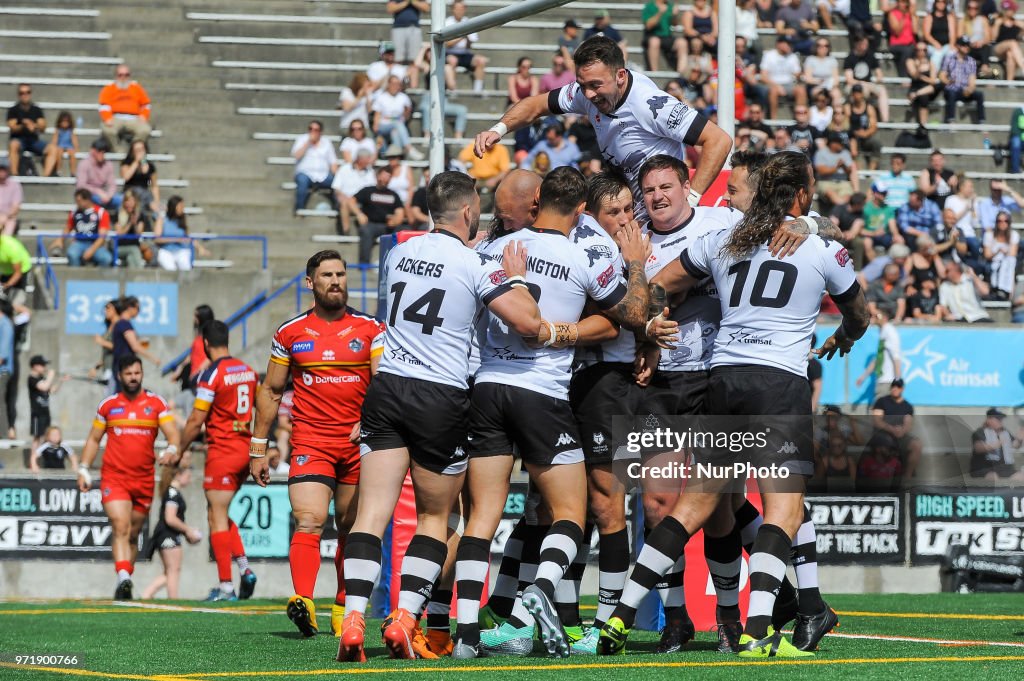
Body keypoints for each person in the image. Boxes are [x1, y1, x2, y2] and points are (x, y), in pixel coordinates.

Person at [604, 151, 869, 658]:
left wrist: (649, 322)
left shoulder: (722, 238)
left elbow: (657, 286)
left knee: (694, 503)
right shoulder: (819, 248)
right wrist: (845, 337)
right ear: (801, 196)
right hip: (778, 384)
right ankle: (758, 631)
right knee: (784, 509)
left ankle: (619, 616)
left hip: (723, 378)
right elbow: (859, 312)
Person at [336, 172, 544, 662]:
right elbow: (527, 322)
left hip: (387, 386)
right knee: (435, 518)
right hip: (440, 395)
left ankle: (352, 619)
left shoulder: (399, 253)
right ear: (470, 212)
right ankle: (405, 619)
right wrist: (516, 277)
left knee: (371, 514)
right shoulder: (474, 264)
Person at [451, 167, 648, 660]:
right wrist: (637, 265)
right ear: (581, 210)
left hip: (487, 388)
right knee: (570, 515)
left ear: (537, 201)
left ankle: (468, 635)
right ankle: (534, 599)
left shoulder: (496, 249)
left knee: (481, 518)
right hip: (543, 393)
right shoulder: (583, 255)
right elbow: (630, 317)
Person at [250, 250, 386, 638]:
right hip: (312, 439)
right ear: (310, 283)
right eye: (326, 275)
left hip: (359, 443)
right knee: (309, 520)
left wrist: (370, 419)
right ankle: (304, 601)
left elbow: (382, 382)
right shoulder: (289, 332)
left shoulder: (371, 328)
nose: (335, 281)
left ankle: (343, 605)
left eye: (340, 274)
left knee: (350, 527)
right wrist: (258, 446)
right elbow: (272, 390)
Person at [475, 36, 732, 223]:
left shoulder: (650, 105)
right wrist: (498, 129)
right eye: (582, 84)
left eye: (596, 85)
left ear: (620, 75)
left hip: (661, 221)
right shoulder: (585, 93)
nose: (588, 94)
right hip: (623, 214)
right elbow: (536, 105)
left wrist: (689, 203)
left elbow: (718, 140)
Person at [76, 355, 180, 599]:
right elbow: (93, 439)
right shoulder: (108, 406)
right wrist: (83, 468)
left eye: (137, 373)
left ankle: (126, 580)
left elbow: (173, 436)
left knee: (133, 534)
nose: (133, 378)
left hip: (144, 479)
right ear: (119, 376)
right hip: (115, 478)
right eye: (128, 374)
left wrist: (171, 450)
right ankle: (123, 576)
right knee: (120, 526)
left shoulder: (156, 404)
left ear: (142, 373)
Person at [177, 321, 259, 601]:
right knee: (219, 514)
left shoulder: (211, 373)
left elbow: (196, 419)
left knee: (215, 516)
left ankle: (226, 586)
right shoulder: (247, 371)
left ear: (205, 345)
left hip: (223, 451)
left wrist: (179, 449)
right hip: (245, 450)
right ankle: (245, 570)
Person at [140, 466, 203, 599]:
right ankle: (172, 599)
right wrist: (188, 529)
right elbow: (170, 518)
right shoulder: (172, 493)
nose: (190, 480)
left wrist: (186, 532)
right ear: (178, 475)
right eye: (188, 476)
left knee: (170, 571)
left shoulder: (172, 492)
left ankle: (147, 594)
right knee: (173, 570)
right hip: (167, 535)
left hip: (168, 534)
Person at [352, 166, 407, 264]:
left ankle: (397, 264)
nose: (385, 179)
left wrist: (395, 221)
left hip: (388, 226)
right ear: (377, 176)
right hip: (371, 224)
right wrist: (359, 214)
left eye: (388, 177)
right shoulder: (368, 191)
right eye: (384, 176)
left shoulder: (394, 194)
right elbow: (351, 201)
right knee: (366, 231)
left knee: (403, 231)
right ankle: (364, 264)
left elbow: (400, 212)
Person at [870, 379, 922, 479]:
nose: (895, 389)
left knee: (917, 445)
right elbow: (877, 421)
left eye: (898, 387)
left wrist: (901, 431)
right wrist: (891, 429)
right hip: (883, 434)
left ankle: (907, 477)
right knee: (886, 444)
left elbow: (908, 424)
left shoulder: (907, 406)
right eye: (893, 386)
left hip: (900, 435)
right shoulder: (881, 401)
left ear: (902, 389)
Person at [111, 296, 161, 393]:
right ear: (130, 308)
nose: (138, 312)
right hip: (125, 366)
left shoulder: (120, 324)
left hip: (121, 365)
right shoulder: (124, 324)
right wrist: (153, 358)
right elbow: (135, 346)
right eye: (138, 308)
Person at [6, 83, 56, 176]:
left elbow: (43, 126)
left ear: (30, 93)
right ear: (18, 94)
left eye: (27, 92)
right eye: (22, 93)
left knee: (52, 148)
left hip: (33, 141)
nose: (25, 95)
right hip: (19, 140)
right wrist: (23, 125)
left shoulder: (36, 109)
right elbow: (12, 127)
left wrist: (34, 126)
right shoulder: (13, 109)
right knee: (13, 145)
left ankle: (45, 178)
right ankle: (14, 175)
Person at [99, 64, 152, 149]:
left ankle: (133, 150)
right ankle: (118, 150)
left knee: (145, 130)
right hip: (115, 118)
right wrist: (107, 118)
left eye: (126, 75)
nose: (123, 77)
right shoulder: (109, 88)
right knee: (107, 130)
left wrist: (144, 116)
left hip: (134, 118)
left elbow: (146, 104)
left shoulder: (137, 88)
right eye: (120, 75)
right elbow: (104, 106)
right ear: (116, 76)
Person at [57, 188, 114, 268]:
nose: (77, 203)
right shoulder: (74, 213)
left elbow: (102, 236)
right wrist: (60, 240)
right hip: (79, 242)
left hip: (95, 243)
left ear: (87, 200)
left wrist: (91, 250)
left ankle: (99, 278)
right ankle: (76, 277)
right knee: (72, 254)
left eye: (79, 201)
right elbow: (68, 228)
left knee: (106, 258)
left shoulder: (101, 212)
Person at [856, 309, 903, 403]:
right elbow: (878, 358)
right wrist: (864, 376)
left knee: (880, 412)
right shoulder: (883, 332)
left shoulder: (890, 331)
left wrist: (897, 381)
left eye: (877, 316)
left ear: (885, 318)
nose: (873, 318)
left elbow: (896, 357)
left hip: (888, 381)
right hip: (882, 380)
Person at [292, 120, 339, 215]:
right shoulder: (302, 139)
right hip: (305, 173)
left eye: (316, 130)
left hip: (323, 175)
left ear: (320, 132)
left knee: (337, 183)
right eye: (310, 129)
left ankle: (338, 208)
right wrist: (308, 142)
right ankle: (299, 209)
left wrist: (338, 178)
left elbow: (333, 162)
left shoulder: (327, 142)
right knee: (302, 181)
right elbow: (296, 155)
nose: (312, 132)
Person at [372, 76, 422, 161]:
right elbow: (377, 114)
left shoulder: (403, 97)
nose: (395, 86)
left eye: (398, 84)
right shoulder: (381, 97)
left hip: (397, 125)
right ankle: (408, 148)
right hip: (383, 125)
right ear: (389, 84)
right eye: (393, 83)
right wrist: (376, 125)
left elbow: (407, 113)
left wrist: (406, 114)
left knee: (395, 132)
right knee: (397, 124)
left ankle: (396, 155)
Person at [844, 34, 890, 122]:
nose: (865, 46)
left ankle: (885, 120)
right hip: (854, 85)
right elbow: (849, 80)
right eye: (863, 43)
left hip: (867, 84)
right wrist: (862, 83)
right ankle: (862, 118)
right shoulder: (850, 58)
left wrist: (877, 80)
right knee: (863, 91)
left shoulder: (871, 55)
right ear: (856, 44)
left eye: (866, 43)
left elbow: (879, 75)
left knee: (882, 90)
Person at [444, 1, 488, 93]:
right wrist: (462, 36)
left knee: (481, 61)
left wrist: (465, 38)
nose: (460, 11)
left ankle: (477, 91)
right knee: (453, 60)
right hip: (450, 53)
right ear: (453, 9)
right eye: (458, 8)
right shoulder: (448, 22)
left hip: (464, 53)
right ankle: (452, 90)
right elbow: (447, 43)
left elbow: (470, 44)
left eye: (462, 8)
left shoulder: (468, 21)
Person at [155, 195, 208, 271]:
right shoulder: (162, 219)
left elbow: (189, 237)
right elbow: (157, 239)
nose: (182, 209)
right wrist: (175, 240)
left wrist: (200, 248)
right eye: (180, 206)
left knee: (185, 267)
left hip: (181, 251)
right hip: (166, 251)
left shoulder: (182, 220)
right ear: (174, 206)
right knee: (170, 270)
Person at [940, 37, 985, 124]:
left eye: (968, 45)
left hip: (963, 90)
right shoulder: (948, 58)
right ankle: (950, 120)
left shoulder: (971, 61)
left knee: (979, 95)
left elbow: (972, 80)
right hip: (951, 88)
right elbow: (942, 75)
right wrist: (948, 81)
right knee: (951, 93)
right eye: (964, 45)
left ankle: (981, 121)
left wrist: (970, 89)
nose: (967, 47)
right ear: (957, 46)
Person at [970, 408, 1024, 481]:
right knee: (994, 478)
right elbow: (978, 448)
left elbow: (1015, 445)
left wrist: (1019, 439)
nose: (1000, 420)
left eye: (1001, 418)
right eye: (997, 418)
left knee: (1021, 476)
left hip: (1005, 469)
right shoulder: (980, 432)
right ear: (989, 419)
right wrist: (995, 445)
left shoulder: (1005, 432)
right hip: (986, 469)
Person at [760, 37, 805, 119]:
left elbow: (797, 74)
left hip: (789, 84)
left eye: (790, 44)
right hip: (772, 84)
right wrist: (777, 86)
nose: (789, 46)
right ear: (778, 44)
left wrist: (800, 72)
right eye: (787, 43)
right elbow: (763, 76)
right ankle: (774, 120)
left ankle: (800, 117)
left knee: (801, 90)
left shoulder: (793, 56)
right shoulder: (769, 55)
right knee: (773, 91)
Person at [27, 354, 64, 453]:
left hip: (45, 413)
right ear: (35, 366)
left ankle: (42, 459)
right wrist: (51, 375)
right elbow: (44, 387)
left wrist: (60, 381)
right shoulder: (32, 379)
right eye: (43, 365)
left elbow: (52, 390)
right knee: (37, 437)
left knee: (45, 437)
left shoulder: (42, 378)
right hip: (37, 414)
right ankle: (33, 461)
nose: (45, 368)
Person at [813, 133, 858, 210]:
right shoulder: (821, 153)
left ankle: (837, 215)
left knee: (847, 196)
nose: (842, 145)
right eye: (840, 143)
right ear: (832, 143)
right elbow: (821, 171)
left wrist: (843, 166)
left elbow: (850, 171)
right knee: (834, 196)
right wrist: (836, 168)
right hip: (825, 181)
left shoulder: (845, 153)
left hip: (843, 182)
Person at [76, 138, 121, 212]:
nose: (101, 154)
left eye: (103, 152)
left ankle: (119, 221)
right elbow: (81, 185)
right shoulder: (84, 164)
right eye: (99, 151)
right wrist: (98, 192)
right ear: (92, 151)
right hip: (89, 196)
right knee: (95, 199)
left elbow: (112, 184)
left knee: (122, 199)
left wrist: (109, 195)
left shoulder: (108, 165)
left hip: (105, 196)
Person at [641, 1, 687, 73]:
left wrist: (674, 15)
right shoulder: (650, 6)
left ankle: (681, 74)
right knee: (655, 41)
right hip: (652, 36)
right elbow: (648, 26)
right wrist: (659, 13)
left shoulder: (670, 6)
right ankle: (654, 73)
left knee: (682, 42)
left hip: (667, 37)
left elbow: (675, 24)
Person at [982, 211, 1019, 299]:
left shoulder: (1014, 235)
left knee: (1009, 262)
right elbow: (987, 255)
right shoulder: (989, 235)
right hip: (992, 262)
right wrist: (998, 251)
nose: (1003, 223)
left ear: (1009, 223)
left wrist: (1004, 253)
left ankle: (1003, 289)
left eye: (1006, 221)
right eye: (999, 221)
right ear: (996, 222)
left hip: (1007, 263)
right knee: (1007, 263)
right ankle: (1004, 290)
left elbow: (1013, 254)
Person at [845, 85, 881, 170]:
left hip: (865, 136)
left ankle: (871, 171)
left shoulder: (869, 108)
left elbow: (874, 125)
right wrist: (855, 133)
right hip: (852, 136)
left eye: (858, 93)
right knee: (852, 144)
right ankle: (859, 170)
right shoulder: (848, 108)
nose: (857, 96)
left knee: (876, 144)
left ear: (862, 94)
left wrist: (865, 133)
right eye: (855, 93)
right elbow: (846, 125)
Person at [907, 43, 943, 128]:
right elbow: (914, 76)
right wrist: (919, 66)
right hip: (917, 87)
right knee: (924, 97)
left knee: (940, 85)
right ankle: (923, 125)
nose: (922, 52)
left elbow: (933, 81)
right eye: (919, 50)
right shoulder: (910, 61)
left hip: (925, 89)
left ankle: (917, 94)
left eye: (924, 50)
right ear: (915, 51)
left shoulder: (931, 62)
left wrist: (922, 77)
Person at [120, 139, 159, 215]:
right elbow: (126, 177)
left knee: (158, 209)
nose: (140, 152)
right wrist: (136, 162)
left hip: (144, 194)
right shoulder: (126, 163)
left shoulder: (150, 166)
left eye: (141, 149)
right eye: (137, 150)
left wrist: (156, 201)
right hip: (130, 192)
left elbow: (154, 186)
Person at [862, 182, 900, 256]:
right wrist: (873, 233)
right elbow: (860, 229)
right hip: (869, 235)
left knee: (899, 240)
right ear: (875, 193)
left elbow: (892, 226)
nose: (885, 194)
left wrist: (896, 235)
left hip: (884, 235)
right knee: (867, 242)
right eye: (882, 193)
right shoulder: (865, 207)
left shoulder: (889, 208)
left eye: (885, 193)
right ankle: (876, 266)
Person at [386, 0, 428, 65]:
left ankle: (412, 75)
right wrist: (406, 2)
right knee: (397, 58)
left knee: (415, 59)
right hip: (398, 28)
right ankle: (398, 74)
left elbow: (426, 8)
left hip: (414, 28)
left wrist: (412, 2)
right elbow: (390, 9)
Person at [115, 189, 148, 268]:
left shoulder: (140, 215)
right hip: (120, 247)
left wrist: (135, 224)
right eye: (127, 201)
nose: (129, 203)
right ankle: (141, 276)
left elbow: (139, 235)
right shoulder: (118, 214)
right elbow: (119, 234)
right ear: (124, 202)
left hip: (134, 248)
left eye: (132, 201)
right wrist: (129, 223)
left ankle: (132, 279)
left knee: (131, 258)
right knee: (134, 250)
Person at [959, 0, 993, 77]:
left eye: (975, 8)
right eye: (970, 8)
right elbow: (960, 37)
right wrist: (970, 43)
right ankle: (981, 72)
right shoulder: (963, 21)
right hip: (968, 46)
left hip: (981, 46)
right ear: (967, 9)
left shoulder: (983, 20)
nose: (972, 10)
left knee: (986, 46)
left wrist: (981, 42)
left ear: (978, 9)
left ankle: (985, 67)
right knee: (966, 49)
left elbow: (988, 37)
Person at [803, 39, 842, 108]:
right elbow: (808, 78)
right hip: (815, 86)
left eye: (826, 46)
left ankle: (836, 115)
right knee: (819, 94)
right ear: (815, 47)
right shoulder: (810, 59)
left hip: (830, 87)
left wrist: (827, 85)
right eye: (819, 46)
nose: (823, 48)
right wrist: (819, 81)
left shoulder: (832, 60)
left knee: (836, 93)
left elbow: (836, 80)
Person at [992, 1, 1024, 81]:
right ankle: (1023, 67)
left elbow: (1020, 37)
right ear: (1006, 10)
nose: (1014, 11)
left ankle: (1009, 82)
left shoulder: (1016, 23)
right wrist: (997, 24)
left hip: (1009, 51)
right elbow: (993, 38)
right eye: (1012, 9)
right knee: (1012, 43)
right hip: (998, 48)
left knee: (1010, 55)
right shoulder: (998, 22)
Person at [923, 0, 957, 73]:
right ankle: (934, 75)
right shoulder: (929, 17)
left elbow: (952, 34)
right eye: (939, 1)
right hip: (932, 45)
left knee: (952, 52)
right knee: (937, 53)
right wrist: (935, 43)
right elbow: (926, 35)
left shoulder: (949, 17)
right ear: (935, 3)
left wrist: (951, 44)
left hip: (946, 45)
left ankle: (949, 75)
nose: (941, 4)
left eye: (943, 2)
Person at [887, 0, 919, 77]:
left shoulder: (911, 14)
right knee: (907, 50)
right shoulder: (892, 14)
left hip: (910, 44)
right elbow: (897, 31)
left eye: (906, 2)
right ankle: (903, 76)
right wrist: (903, 17)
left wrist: (913, 15)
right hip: (897, 44)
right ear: (898, 3)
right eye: (902, 2)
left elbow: (915, 31)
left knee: (917, 49)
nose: (904, 4)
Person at [0, 160, 23, 236]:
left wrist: (5, 216)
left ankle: (4, 245)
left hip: (8, 217)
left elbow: (16, 206)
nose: (2, 171)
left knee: (10, 223)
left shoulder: (14, 186)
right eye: (0, 169)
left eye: (4, 169)